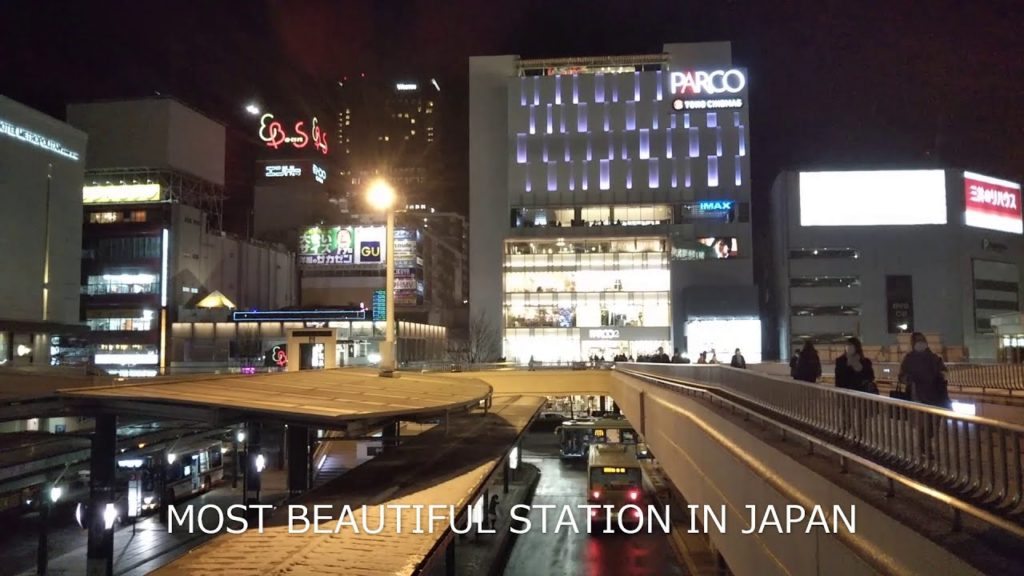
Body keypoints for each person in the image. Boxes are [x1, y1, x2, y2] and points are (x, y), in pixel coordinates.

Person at [898, 333, 949, 408]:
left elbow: (902, 377)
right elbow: (944, 374)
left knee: (919, 417)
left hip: (916, 397)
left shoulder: (909, 359)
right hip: (934, 398)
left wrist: (909, 379)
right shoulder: (934, 358)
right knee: (932, 418)